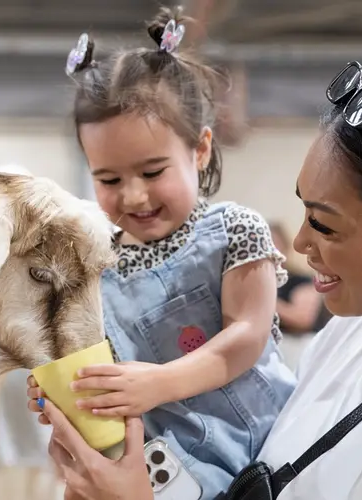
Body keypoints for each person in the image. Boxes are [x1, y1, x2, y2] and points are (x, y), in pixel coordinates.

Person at [31, 46, 362, 500]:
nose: (300, 244)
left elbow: (245, 338)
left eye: (324, 223)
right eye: (109, 179)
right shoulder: (346, 337)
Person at [28, 6, 295, 499]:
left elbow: (247, 335)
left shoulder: (234, 231)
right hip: (169, 474)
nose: (132, 196)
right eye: (108, 179)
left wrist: (160, 383)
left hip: (268, 452)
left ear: (200, 150)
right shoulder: (95, 266)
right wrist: (68, 393)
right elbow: (97, 362)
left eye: (152, 173)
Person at [268, 221, 328, 334]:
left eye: (273, 242)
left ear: (285, 246)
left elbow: (303, 319)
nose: (268, 249)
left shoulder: (302, 281)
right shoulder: (255, 282)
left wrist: (260, 301)